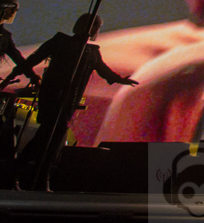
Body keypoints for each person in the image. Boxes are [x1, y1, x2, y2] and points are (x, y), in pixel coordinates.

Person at [11, 13, 138, 190]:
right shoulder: (60, 41)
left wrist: (120, 80)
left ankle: (26, 176)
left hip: (69, 101)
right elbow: (32, 59)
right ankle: (30, 176)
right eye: (96, 26)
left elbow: (104, 71)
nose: (96, 30)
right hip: (53, 97)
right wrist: (21, 75)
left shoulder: (91, 51)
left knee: (49, 137)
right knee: (49, 136)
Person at [0, 0, 41, 89]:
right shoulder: (4, 36)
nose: (13, 13)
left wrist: (32, 75)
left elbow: (17, 58)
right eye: (11, 9)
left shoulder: (5, 36)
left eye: (15, 10)